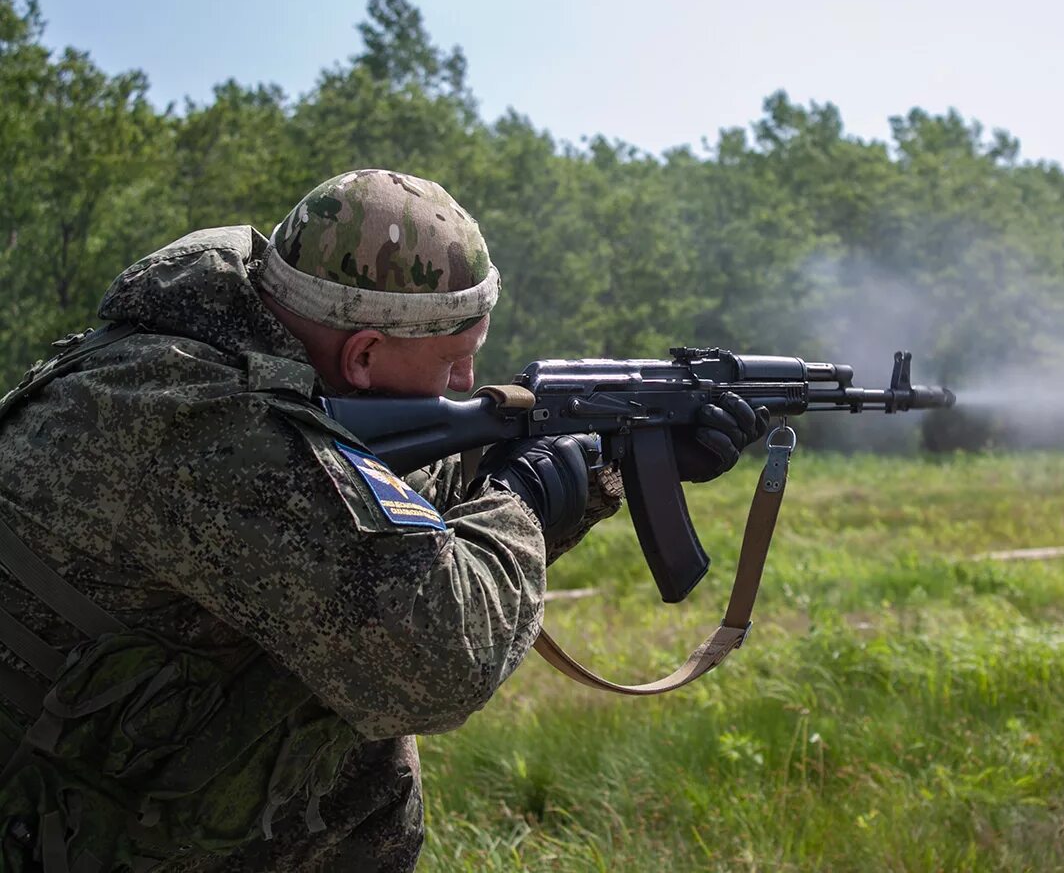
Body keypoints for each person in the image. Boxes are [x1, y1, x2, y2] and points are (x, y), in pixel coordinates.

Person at [0, 170, 766, 871]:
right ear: (363, 357)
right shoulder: (197, 419)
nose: (470, 383)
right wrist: (526, 498)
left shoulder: (252, 364)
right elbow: (434, 658)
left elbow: (398, 514)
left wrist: (618, 460)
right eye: (456, 361)